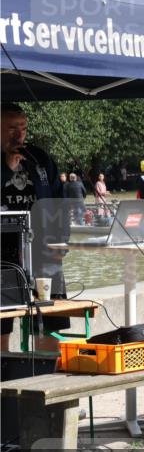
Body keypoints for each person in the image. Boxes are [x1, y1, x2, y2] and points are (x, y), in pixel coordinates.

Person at [0, 102, 69, 352]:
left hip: (44, 253)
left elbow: (59, 201)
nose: (19, 135)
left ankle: (46, 379)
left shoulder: (38, 157)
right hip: (4, 257)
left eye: (23, 128)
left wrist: (62, 239)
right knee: (1, 327)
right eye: (11, 128)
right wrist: (6, 170)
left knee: (48, 325)